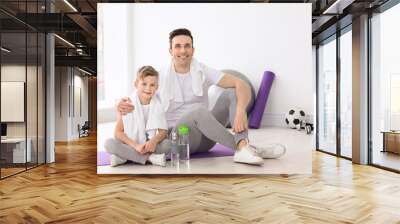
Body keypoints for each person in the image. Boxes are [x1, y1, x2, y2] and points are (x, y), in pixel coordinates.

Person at [118, 28, 286, 165]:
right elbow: (138, 96)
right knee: (199, 110)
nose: (182, 50)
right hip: (179, 136)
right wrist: (120, 105)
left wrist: (241, 110)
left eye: (187, 46)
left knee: (231, 93)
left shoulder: (202, 70)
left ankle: (243, 147)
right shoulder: (159, 75)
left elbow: (240, 84)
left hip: (206, 139)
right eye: (177, 46)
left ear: (193, 49)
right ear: (170, 50)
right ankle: (246, 147)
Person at [105, 66, 171, 167]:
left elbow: (163, 131)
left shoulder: (158, 105)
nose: (148, 88)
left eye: (152, 85)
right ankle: (150, 158)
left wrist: (153, 141)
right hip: (130, 144)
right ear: (136, 84)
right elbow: (118, 133)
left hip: (147, 145)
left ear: (157, 87)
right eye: (144, 84)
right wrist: (136, 146)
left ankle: (124, 157)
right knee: (109, 144)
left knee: (167, 145)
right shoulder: (128, 104)